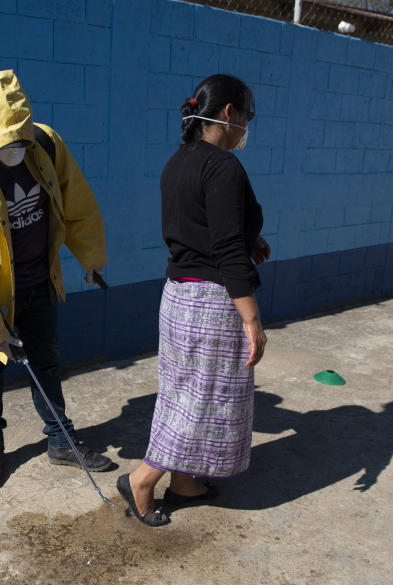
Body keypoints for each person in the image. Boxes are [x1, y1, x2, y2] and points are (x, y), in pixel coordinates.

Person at [0, 70, 112, 487]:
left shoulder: (47, 145)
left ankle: (59, 439)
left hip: (39, 279)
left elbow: (77, 200)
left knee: (46, 360)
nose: (16, 148)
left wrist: (89, 257)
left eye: (21, 138)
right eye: (6, 142)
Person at [117, 74, 270, 526]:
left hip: (179, 298)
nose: (247, 125)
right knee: (202, 400)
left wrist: (250, 238)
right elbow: (223, 249)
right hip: (212, 303)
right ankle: (143, 480)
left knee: (184, 395)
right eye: (247, 115)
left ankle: (184, 483)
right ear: (229, 114)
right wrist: (251, 320)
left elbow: (202, 227)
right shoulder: (223, 167)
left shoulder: (178, 161)